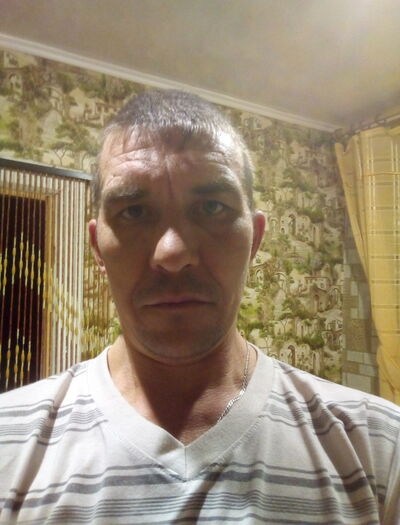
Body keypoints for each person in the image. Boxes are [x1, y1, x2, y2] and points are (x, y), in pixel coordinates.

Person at [0, 89, 399, 525]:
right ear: (97, 247)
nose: (172, 253)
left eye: (212, 207)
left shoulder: (382, 448)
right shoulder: (8, 442)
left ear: (255, 239)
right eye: (134, 212)